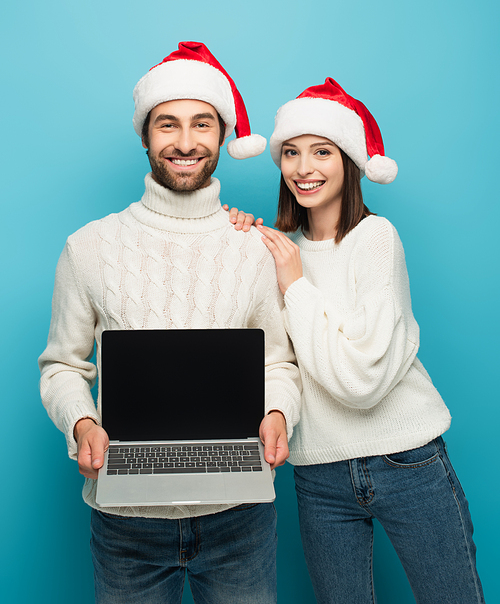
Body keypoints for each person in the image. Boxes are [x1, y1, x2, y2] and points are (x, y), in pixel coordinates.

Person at [38, 41, 301, 604]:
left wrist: (279, 411)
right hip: (126, 522)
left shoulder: (251, 248)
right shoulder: (89, 247)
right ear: (144, 135)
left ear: (224, 134)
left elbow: (278, 361)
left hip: (240, 519)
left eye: (202, 124)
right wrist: (82, 425)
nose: (185, 142)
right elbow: (63, 365)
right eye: (168, 125)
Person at [234, 77, 485, 603]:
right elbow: (263, 352)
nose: (304, 169)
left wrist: (296, 287)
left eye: (321, 152)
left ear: (348, 161)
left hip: (405, 459)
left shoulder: (375, 239)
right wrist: (231, 231)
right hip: (318, 471)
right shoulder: (278, 254)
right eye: (292, 153)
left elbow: (361, 380)